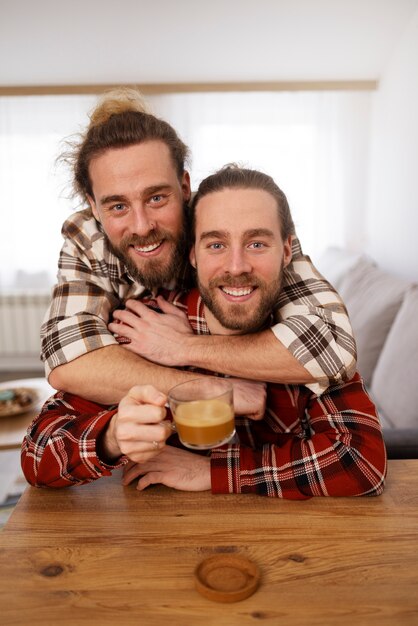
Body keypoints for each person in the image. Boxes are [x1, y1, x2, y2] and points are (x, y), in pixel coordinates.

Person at [22, 166, 386, 498]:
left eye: (257, 243)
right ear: (192, 255)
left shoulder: (305, 333)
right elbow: (38, 453)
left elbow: (360, 461)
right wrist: (112, 437)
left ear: (287, 251)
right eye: (216, 245)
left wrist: (216, 473)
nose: (237, 266)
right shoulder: (147, 325)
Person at [41, 88, 357, 411]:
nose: (141, 225)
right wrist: (212, 390)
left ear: (184, 187)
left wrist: (184, 346)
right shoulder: (86, 236)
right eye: (118, 206)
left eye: (156, 198)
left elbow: (333, 345)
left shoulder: (233, 220)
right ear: (93, 207)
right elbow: (67, 357)